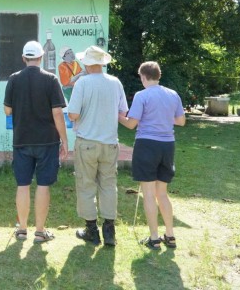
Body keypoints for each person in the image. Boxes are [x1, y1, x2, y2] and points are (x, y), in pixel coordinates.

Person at [3, 41, 69, 243]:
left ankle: (22, 230)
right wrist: (65, 141)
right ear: (40, 58)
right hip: (47, 142)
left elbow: (7, 110)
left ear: (24, 58)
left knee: (22, 184)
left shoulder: (14, 79)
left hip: (22, 140)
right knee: (43, 185)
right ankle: (40, 232)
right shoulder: (51, 79)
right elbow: (57, 112)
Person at [118, 61, 186, 250]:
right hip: (167, 145)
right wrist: (163, 118)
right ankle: (170, 235)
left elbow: (131, 124)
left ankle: (154, 238)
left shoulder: (142, 95)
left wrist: (118, 116)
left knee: (148, 193)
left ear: (143, 76)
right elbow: (181, 121)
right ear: (159, 75)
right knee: (162, 193)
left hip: (147, 145)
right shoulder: (173, 94)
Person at [67, 45, 128, 246]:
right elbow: (123, 112)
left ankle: (91, 230)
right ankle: (109, 230)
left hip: (87, 142)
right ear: (102, 63)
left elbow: (73, 114)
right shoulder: (115, 82)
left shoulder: (82, 84)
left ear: (86, 62)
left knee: (86, 185)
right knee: (109, 185)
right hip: (110, 142)